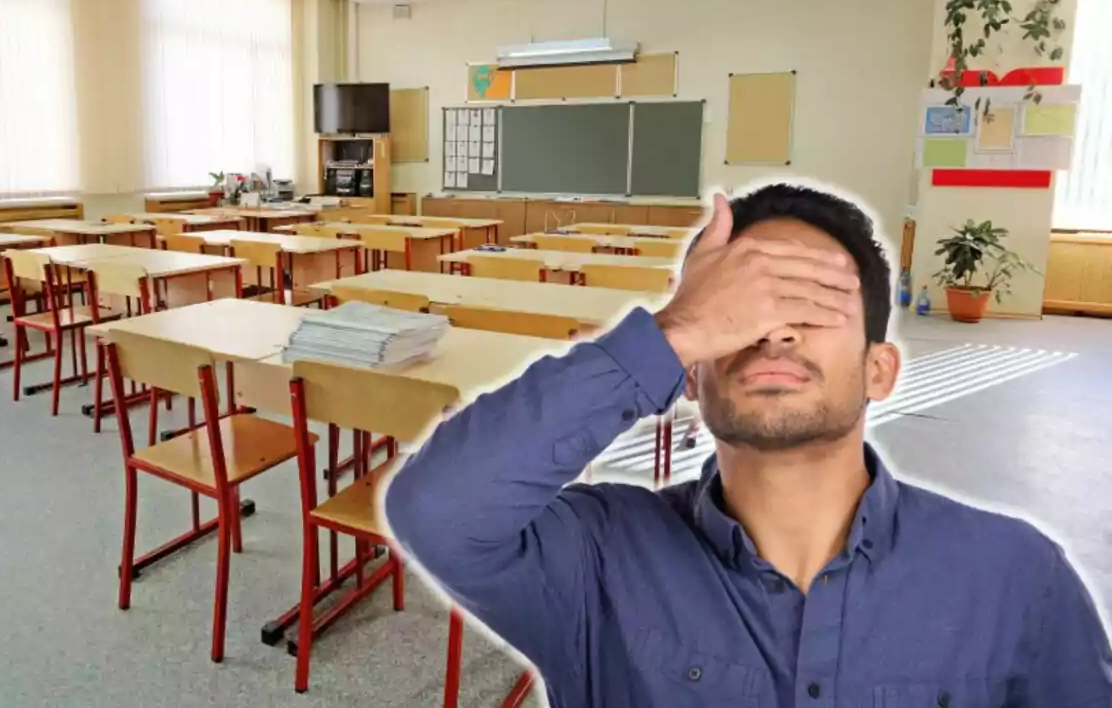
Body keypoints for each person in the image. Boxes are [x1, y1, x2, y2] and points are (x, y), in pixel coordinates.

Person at [385, 183, 1112, 708]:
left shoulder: (1016, 577)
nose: (775, 331)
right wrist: (674, 331)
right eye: (746, 308)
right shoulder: (599, 559)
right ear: (691, 378)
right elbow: (439, 508)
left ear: (879, 369)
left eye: (813, 304)